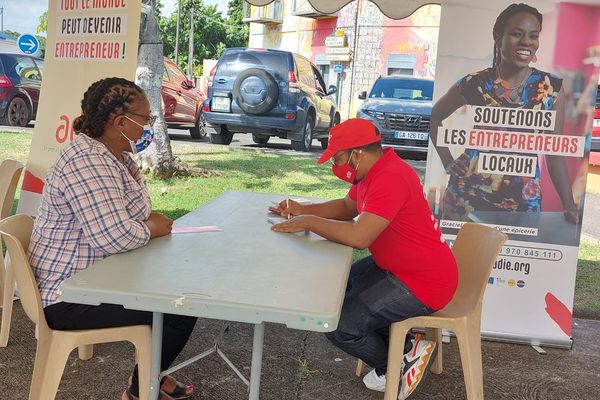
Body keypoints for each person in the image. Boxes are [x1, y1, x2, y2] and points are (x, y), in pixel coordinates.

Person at [28, 77, 197, 400]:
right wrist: (151, 228)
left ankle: (150, 376)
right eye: (146, 119)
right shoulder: (88, 161)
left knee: (176, 288)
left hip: (94, 279)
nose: (148, 126)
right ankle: (140, 390)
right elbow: (115, 236)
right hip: (68, 297)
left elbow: (129, 216)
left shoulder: (111, 155)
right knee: (178, 308)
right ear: (120, 122)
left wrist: (145, 224)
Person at [270, 118, 458, 399]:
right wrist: (303, 209)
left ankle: (394, 367)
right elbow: (348, 207)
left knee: (339, 324)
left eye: (338, 158)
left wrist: (310, 221)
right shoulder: (373, 171)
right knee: (335, 293)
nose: (335, 166)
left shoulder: (391, 176)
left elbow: (359, 237)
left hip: (424, 282)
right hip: (399, 268)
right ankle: (406, 346)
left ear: (357, 153)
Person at [430, 3, 578, 224]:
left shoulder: (550, 87)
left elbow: (554, 152)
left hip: (522, 201)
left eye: (533, 35)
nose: (526, 42)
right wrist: (447, 160)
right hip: (467, 196)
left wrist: (569, 204)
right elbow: (434, 117)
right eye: (517, 34)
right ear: (498, 38)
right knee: (462, 258)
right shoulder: (475, 83)